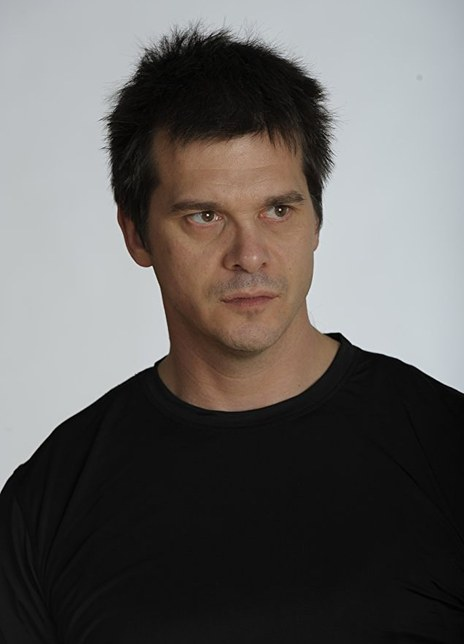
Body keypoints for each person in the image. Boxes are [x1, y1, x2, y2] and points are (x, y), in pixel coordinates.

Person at [0, 26, 463, 644]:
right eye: (205, 216)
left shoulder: (446, 447)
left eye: (278, 209)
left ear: (317, 219)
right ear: (136, 234)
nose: (250, 254)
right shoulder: (48, 503)